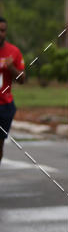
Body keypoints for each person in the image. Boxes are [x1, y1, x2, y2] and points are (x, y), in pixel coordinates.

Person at [0, 16, 25, 166]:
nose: (0, 33)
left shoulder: (13, 52)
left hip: (4, 106)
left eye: (2, 31)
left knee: (0, 144)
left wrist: (11, 68)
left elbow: (22, 79)